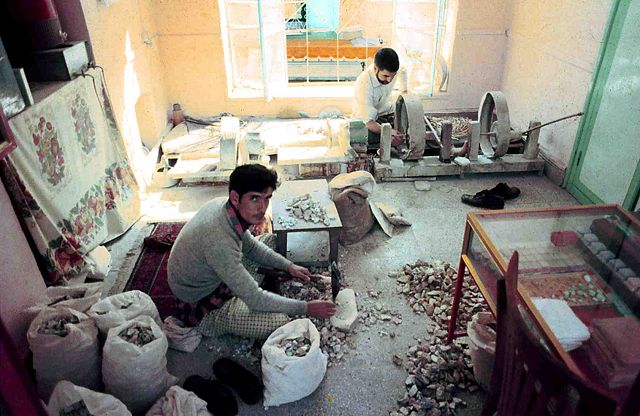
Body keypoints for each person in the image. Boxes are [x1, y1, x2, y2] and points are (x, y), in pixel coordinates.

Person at [168, 164, 337, 339]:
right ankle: (221, 316)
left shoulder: (223, 206)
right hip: (201, 304)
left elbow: (250, 247)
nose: (262, 208)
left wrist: (289, 266)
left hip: (215, 273)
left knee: (271, 241)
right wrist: (307, 308)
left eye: (267, 198)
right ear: (235, 197)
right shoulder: (220, 241)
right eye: (254, 199)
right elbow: (255, 299)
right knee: (278, 322)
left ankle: (254, 287)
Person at [352, 47, 405, 151]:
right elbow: (368, 122)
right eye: (385, 76)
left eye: (392, 76)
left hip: (385, 114)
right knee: (361, 137)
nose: (389, 80)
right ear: (375, 69)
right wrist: (388, 132)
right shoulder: (364, 84)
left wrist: (405, 90)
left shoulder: (393, 71)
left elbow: (403, 72)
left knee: (410, 131)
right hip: (367, 121)